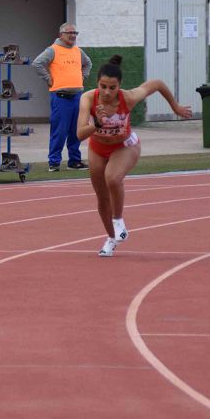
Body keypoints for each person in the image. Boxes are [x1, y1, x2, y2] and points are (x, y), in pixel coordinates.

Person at [77, 55, 192, 258]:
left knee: (112, 178)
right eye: (103, 86)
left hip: (125, 146)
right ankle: (112, 238)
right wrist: (97, 123)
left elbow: (157, 84)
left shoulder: (128, 97)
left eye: (112, 88)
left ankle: (118, 219)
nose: (107, 92)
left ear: (119, 86)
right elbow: (79, 134)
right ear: (97, 83)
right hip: (97, 147)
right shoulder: (88, 98)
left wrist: (175, 107)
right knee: (101, 197)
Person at [35, 23, 91, 171]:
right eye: (70, 33)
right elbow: (37, 63)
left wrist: (82, 76)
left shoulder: (78, 51)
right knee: (59, 131)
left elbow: (88, 64)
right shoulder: (53, 50)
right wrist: (48, 79)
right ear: (61, 35)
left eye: (75, 33)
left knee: (76, 131)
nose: (73, 35)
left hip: (77, 97)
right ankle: (54, 162)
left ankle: (74, 161)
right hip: (60, 97)